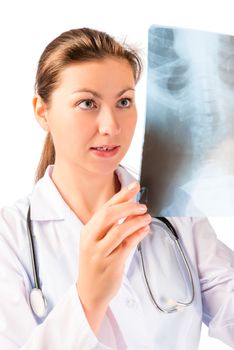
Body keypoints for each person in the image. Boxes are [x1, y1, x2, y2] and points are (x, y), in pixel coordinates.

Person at [0, 27, 233, 350]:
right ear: (42, 111)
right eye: (87, 103)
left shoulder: (173, 210)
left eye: (124, 101)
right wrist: (89, 299)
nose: (111, 126)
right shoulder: (9, 236)